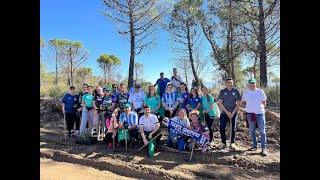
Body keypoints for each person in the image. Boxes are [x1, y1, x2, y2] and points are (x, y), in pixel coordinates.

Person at [242, 78, 268, 156]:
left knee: (262, 131)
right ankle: (254, 145)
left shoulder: (260, 91)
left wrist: (261, 109)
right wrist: (248, 108)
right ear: (248, 84)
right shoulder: (246, 92)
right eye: (250, 83)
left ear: (255, 83)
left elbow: (264, 102)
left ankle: (263, 148)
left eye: (253, 83)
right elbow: (243, 102)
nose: (252, 84)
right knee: (252, 131)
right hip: (250, 114)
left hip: (260, 114)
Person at [217, 78, 241, 150]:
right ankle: (223, 142)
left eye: (231, 82)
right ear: (226, 83)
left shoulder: (236, 91)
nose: (229, 84)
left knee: (233, 128)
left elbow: (238, 104)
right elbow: (220, 103)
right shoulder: (222, 91)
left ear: (233, 83)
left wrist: (232, 113)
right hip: (224, 113)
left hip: (233, 113)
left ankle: (232, 142)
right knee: (222, 127)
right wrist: (227, 112)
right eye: (228, 82)